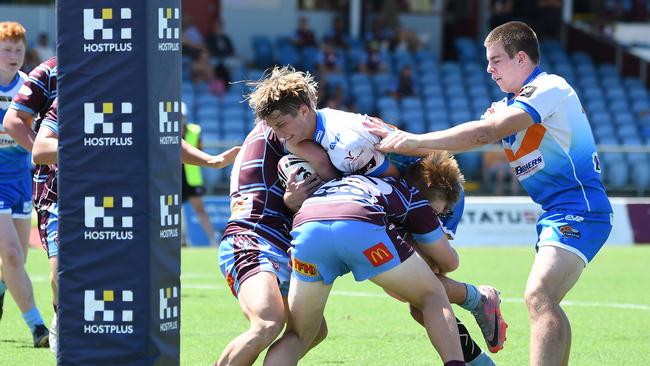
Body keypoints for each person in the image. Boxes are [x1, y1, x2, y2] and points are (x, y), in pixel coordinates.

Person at [367, 21, 613, 366]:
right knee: (547, 300)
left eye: (496, 59)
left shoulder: (549, 87)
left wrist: (415, 141)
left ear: (521, 58)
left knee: (539, 295)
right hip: (555, 211)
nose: (488, 68)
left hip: (582, 206)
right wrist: (398, 141)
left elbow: (487, 133)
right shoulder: (505, 105)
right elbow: (472, 135)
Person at [247, 66, 506, 360]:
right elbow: (336, 185)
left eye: (280, 124)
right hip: (380, 205)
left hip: (431, 194)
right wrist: (296, 198)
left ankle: (478, 299)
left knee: (426, 292)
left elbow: (395, 177)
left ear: (305, 110)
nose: (277, 135)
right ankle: (478, 322)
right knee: (418, 297)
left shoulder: (347, 142)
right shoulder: (299, 138)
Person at [30, 99, 240, 355]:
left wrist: (211, 161)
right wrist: (99, 142)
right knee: (60, 273)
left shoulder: (136, 94)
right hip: (69, 199)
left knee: (112, 282)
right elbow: (40, 149)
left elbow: (166, 138)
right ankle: (61, 314)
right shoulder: (72, 96)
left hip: (117, 200)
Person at [264, 174, 465, 366]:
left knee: (297, 335)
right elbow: (449, 263)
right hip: (359, 223)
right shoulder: (410, 193)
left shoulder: (341, 180)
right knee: (432, 295)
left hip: (308, 228)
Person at [216, 122, 326, 366]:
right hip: (251, 238)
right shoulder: (274, 130)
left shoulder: (278, 136)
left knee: (314, 330)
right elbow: (324, 161)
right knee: (267, 323)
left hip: (277, 243)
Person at [0, 20, 49, 347]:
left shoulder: (28, 85)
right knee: (13, 256)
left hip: (21, 176)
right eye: (6, 49)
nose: (13, 54)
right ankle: (38, 327)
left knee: (16, 260)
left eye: (18, 49)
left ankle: (2, 289)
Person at [180, 102, 219, 246]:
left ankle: (213, 240)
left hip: (192, 176)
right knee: (174, 210)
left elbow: (200, 151)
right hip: (174, 175)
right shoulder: (167, 130)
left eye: (181, 116)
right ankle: (181, 241)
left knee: (199, 209)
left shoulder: (194, 131)